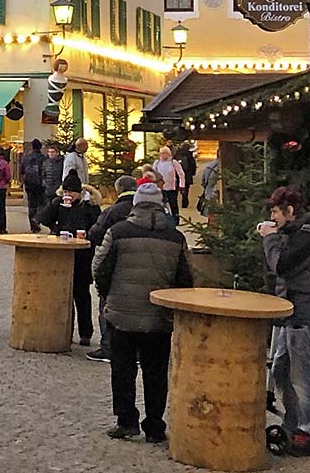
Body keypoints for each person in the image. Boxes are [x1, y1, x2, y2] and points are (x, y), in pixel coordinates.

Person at [93, 182, 192, 444]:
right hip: (159, 317)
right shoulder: (176, 237)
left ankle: (126, 421)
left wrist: (108, 295)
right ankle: (155, 426)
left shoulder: (119, 231)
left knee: (123, 369)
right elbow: (186, 278)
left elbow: (100, 267)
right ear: (161, 205)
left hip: (122, 314)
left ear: (136, 203)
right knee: (156, 372)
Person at [258, 186, 310, 458]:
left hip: (307, 314)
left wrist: (269, 239)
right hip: (292, 314)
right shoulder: (296, 234)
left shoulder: (307, 236)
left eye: (275, 211)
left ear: (289, 211)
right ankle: (295, 422)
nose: (273, 217)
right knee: (281, 368)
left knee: (303, 375)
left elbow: (281, 265)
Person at [38, 171, 102, 348]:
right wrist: (56, 208)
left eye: (71, 192)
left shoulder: (90, 207)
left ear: (79, 192)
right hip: (60, 256)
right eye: (65, 192)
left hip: (82, 257)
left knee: (81, 295)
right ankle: (63, 331)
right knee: (61, 296)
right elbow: (42, 219)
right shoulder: (59, 203)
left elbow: (98, 229)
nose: (68, 195)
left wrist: (87, 237)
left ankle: (85, 333)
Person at [83, 175, 142, 362]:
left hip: (115, 266)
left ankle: (108, 346)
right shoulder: (146, 210)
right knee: (138, 307)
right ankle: (138, 350)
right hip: (141, 267)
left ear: (118, 190)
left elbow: (95, 234)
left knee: (107, 306)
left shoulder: (112, 211)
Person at [20, 140, 49, 233]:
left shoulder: (26, 157)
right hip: (39, 184)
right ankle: (37, 220)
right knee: (41, 204)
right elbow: (45, 171)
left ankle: (33, 225)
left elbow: (22, 170)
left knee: (31, 204)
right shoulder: (43, 158)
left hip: (29, 184)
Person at [152, 146, 188, 216]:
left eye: (165, 153)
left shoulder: (173, 162)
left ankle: (176, 218)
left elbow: (181, 174)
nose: (163, 155)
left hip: (171, 187)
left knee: (173, 203)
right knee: (161, 203)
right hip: (160, 187)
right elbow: (153, 174)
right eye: (161, 153)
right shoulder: (157, 162)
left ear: (169, 154)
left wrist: (182, 185)